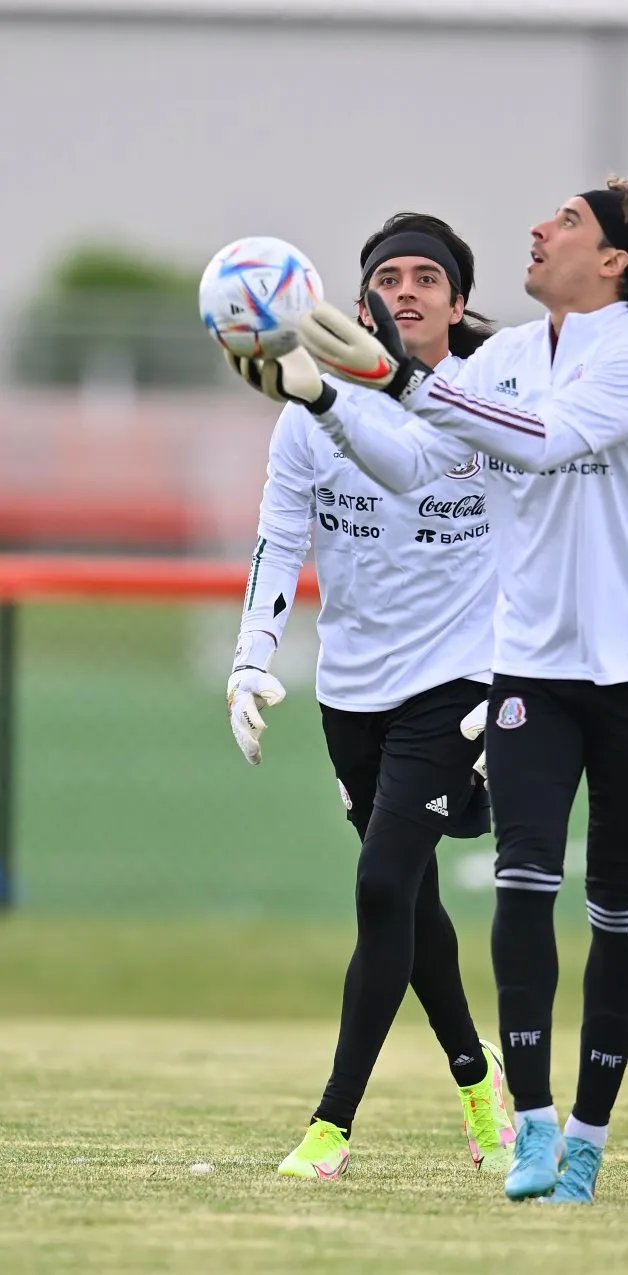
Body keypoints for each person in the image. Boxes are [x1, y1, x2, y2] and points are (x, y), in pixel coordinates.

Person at [275, 175, 628, 1204]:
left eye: (567, 222)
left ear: (612, 261)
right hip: (530, 671)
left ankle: (587, 1135)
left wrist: (399, 376)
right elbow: (416, 464)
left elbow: (543, 441)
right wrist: (328, 400)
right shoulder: (504, 358)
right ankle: (532, 1126)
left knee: (619, 911)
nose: (539, 228)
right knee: (517, 885)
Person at [224, 212, 516, 1180]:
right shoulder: (300, 412)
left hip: (459, 682)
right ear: (355, 304)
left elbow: (404, 456)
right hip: (352, 692)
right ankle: (480, 1085)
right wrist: (252, 654)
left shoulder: (483, 401)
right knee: (413, 900)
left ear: (458, 303)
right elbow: (279, 539)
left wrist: (324, 399)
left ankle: (331, 1126)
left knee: (384, 884)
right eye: (387, 275)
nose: (406, 288)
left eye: (427, 276)